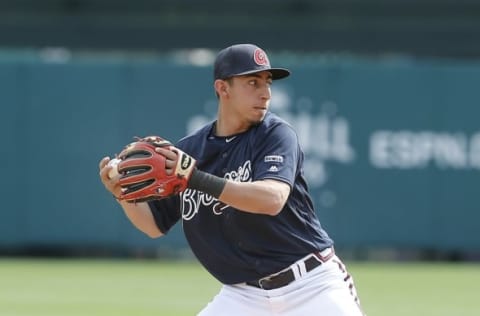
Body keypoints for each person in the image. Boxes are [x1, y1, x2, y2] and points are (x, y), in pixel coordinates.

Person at [99, 43, 364, 316]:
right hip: (243, 296)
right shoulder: (191, 150)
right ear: (223, 89)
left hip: (310, 285)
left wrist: (196, 178)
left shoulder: (275, 135)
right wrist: (122, 194)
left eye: (267, 82)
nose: (266, 93)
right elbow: (153, 225)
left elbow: (272, 199)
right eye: (253, 82)